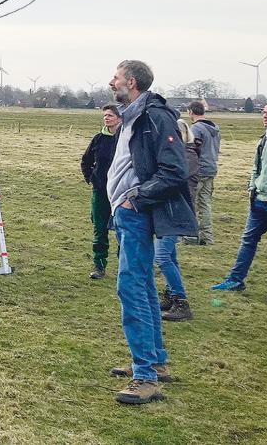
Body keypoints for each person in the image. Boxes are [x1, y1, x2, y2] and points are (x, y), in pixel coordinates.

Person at [105, 60, 197, 405]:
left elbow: (174, 171)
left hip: (136, 214)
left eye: (115, 77)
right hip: (125, 213)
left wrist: (135, 199)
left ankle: (144, 376)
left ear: (131, 82)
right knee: (142, 286)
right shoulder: (132, 116)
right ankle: (155, 362)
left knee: (130, 288)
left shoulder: (155, 117)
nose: (111, 81)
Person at [210, 102, 267, 306]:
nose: (265, 116)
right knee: (248, 241)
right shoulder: (264, 139)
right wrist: (252, 188)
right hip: (259, 201)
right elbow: (256, 167)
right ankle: (235, 280)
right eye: (264, 112)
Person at [155, 118, 198, 322]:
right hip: (168, 211)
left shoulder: (187, 156)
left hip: (177, 212)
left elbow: (173, 181)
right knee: (170, 256)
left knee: (162, 255)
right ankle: (172, 294)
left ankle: (181, 301)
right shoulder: (178, 154)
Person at [80, 104, 121, 279]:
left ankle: (125, 267)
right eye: (105, 115)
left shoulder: (126, 138)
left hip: (121, 193)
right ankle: (99, 265)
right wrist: (92, 178)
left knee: (122, 230)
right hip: (101, 191)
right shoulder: (98, 139)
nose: (106, 118)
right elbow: (86, 161)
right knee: (100, 228)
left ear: (119, 118)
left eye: (110, 115)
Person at [187, 101, 221, 245]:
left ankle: (191, 237)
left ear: (190, 111)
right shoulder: (215, 128)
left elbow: (192, 151)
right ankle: (207, 237)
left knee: (191, 203)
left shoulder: (195, 128)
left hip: (198, 170)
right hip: (211, 168)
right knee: (205, 204)